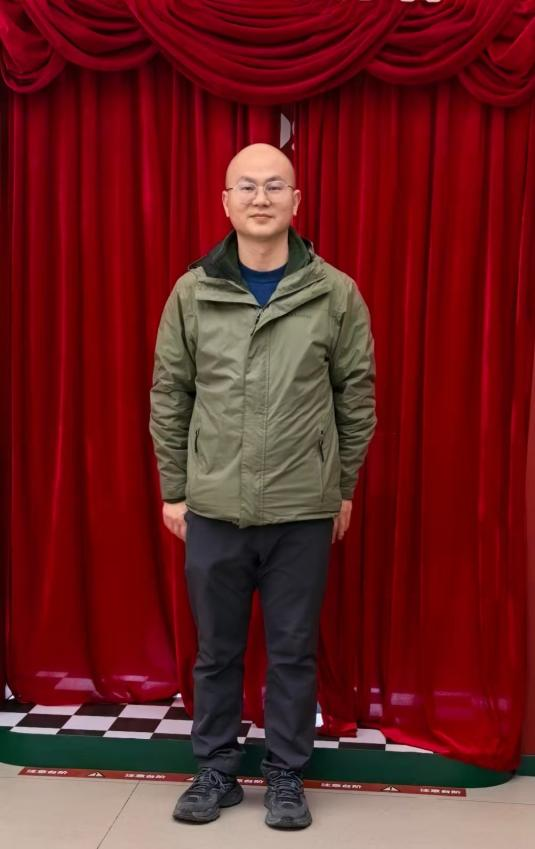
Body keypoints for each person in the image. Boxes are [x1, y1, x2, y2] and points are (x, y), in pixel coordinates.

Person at [149, 142, 377, 829]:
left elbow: (356, 396)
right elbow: (170, 393)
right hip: (213, 507)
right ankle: (215, 771)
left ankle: (284, 774)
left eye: (274, 186)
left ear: (296, 201)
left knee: (292, 652)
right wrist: (174, 489)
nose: (260, 198)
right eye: (245, 186)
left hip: (301, 509)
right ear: (225, 202)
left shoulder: (334, 292)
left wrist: (340, 487)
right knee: (216, 651)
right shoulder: (192, 291)